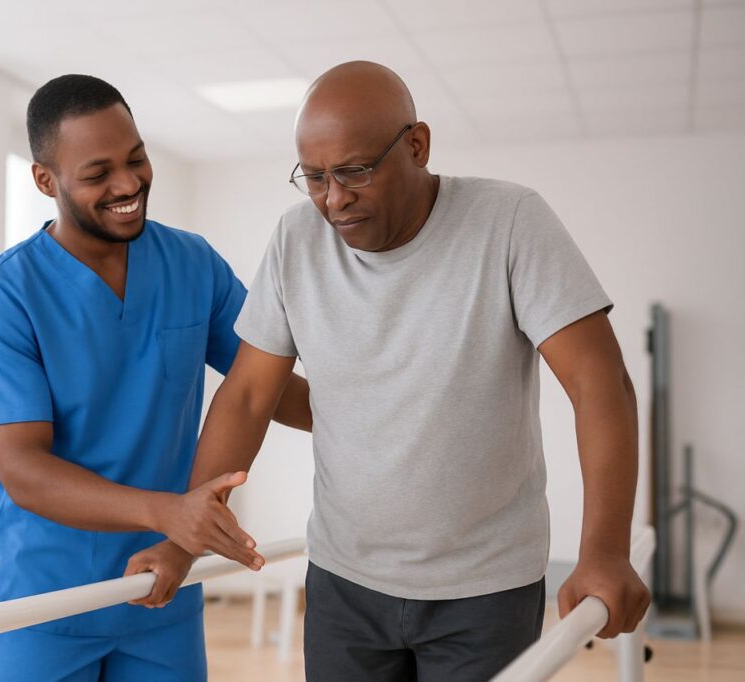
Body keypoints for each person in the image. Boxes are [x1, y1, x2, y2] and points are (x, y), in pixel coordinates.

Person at [136, 61, 651, 680]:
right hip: (344, 584)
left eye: (354, 171)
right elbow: (248, 395)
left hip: (485, 589)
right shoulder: (296, 240)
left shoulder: (509, 221)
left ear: (417, 145)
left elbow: (601, 386)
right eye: (315, 178)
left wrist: (604, 550)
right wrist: (180, 542)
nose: (334, 199)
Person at [0, 74, 311, 682]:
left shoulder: (192, 264)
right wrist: (169, 513)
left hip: (162, 592)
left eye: (137, 159)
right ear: (47, 180)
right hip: (47, 603)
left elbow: (264, 385)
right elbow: (24, 470)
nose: (128, 185)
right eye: (98, 174)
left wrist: (383, 417)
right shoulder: (3, 298)